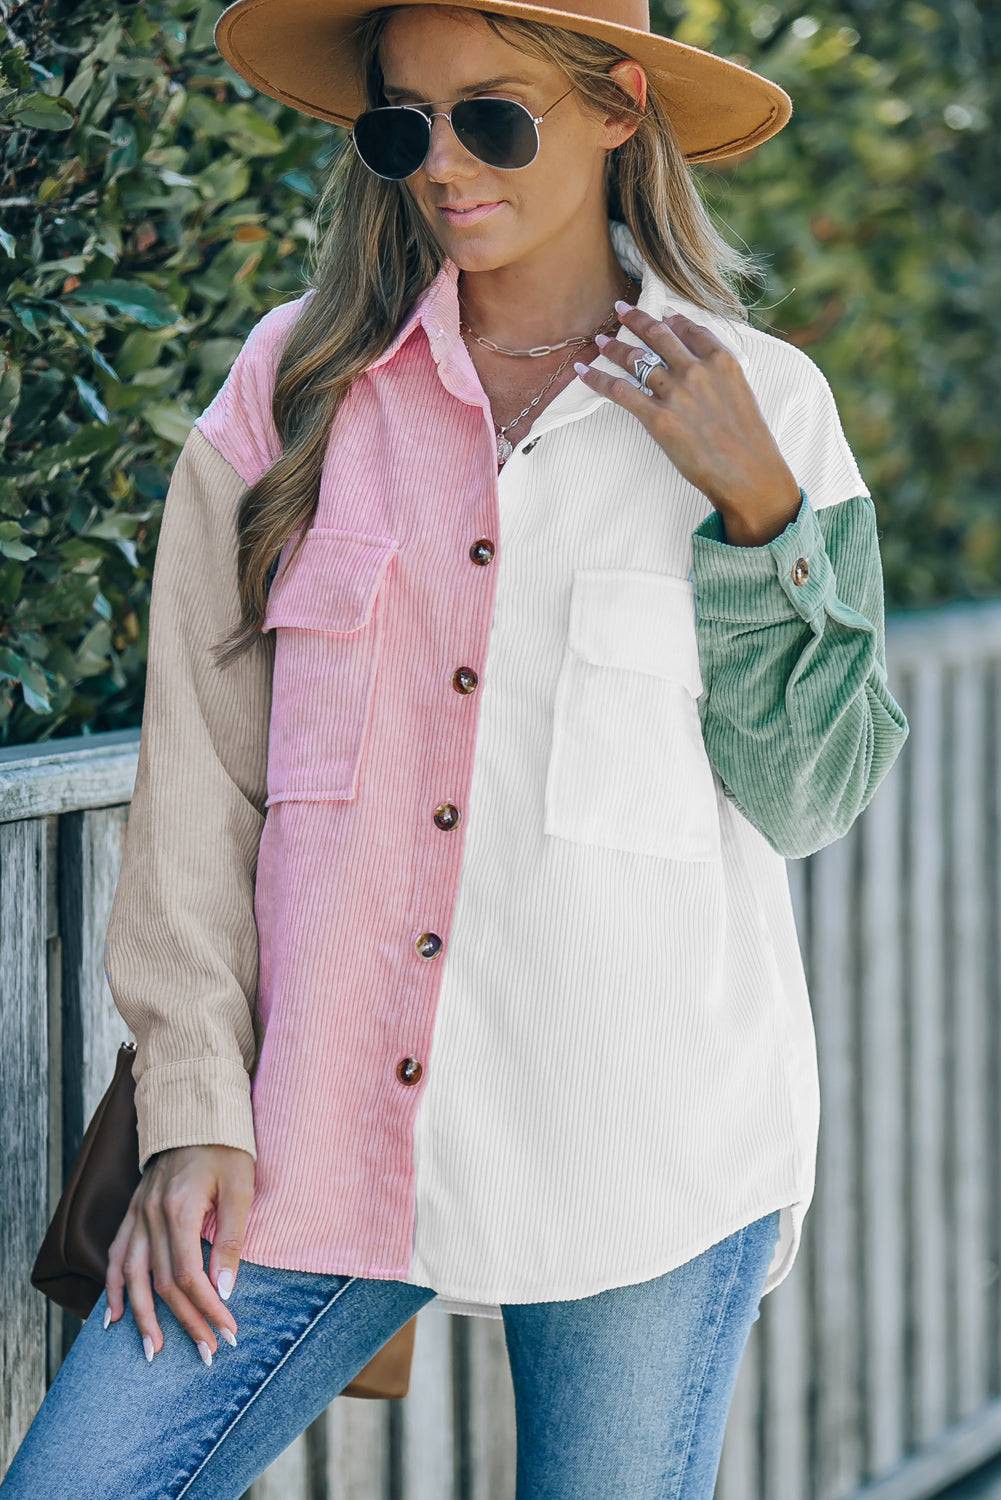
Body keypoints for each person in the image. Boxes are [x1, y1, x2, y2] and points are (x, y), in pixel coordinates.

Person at [0, 0, 909, 1492]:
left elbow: (812, 795)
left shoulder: (766, 407)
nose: (440, 165)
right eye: (400, 123)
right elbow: (198, 796)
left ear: (618, 108)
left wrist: (762, 520)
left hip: (649, 1142)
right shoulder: (289, 398)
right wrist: (188, 1112)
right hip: (311, 1134)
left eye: (492, 115)